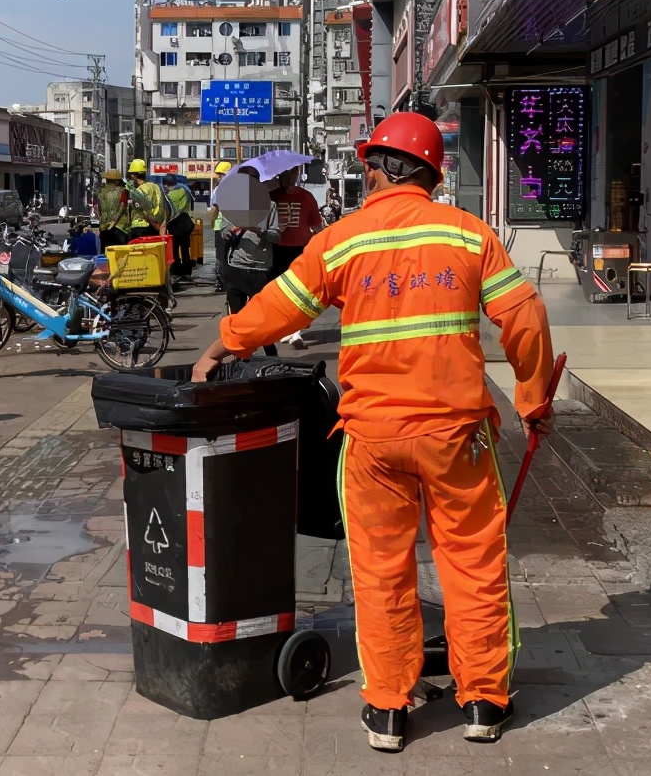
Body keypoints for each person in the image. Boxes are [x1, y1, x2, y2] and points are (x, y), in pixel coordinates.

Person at [191, 112, 555, 752]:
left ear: (379, 168)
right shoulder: (470, 236)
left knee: (383, 572)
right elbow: (524, 316)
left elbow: (282, 304)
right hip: (457, 439)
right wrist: (532, 398)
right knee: (472, 566)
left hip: (374, 441)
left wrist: (223, 342)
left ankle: (388, 709)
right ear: (433, 175)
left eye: (367, 165)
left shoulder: (344, 239)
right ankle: (484, 703)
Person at [221, 171, 281, 358]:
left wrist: (259, 229)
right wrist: (228, 232)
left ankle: (271, 356)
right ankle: (241, 357)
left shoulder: (270, 207)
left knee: (261, 319)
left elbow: (276, 236)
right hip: (234, 266)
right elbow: (223, 230)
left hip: (259, 269)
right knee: (237, 319)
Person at [271, 166, 324, 350]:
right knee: (300, 290)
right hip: (299, 248)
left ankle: (287, 328)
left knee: (279, 291)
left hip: (275, 248)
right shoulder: (306, 196)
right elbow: (317, 225)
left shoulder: (271, 196)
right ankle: (294, 330)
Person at [163, 173, 196, 279]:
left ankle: (177, 270)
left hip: (175, 224)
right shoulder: (185, 191)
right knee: (185, 248)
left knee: (174, 248)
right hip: (186, 222)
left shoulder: (168, 195)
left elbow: (167, 210)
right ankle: (187, 271)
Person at [124, 159, 166, 241]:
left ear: (134, 176)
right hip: (154, 229)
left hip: (138, 229)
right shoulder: (155, 187)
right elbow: (161, 207)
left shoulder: (137, 192)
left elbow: (137, 209)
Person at [209, 159, 233, 292]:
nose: (219, 177)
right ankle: (229, 281)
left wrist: (212, 223)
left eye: (221, 174)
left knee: (221, 257)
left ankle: (222, 283)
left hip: (221, 226)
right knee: (230, 255)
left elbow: (214, 209)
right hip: (234, 226)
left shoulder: (219, 189)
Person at [97, 170, 129, 250]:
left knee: (105, 254)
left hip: (104, 227)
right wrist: (114, 222)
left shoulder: (100, 192)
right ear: (117, 181)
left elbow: (100, 210)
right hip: (118, 228)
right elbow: (123, 207)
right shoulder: (123, 191)